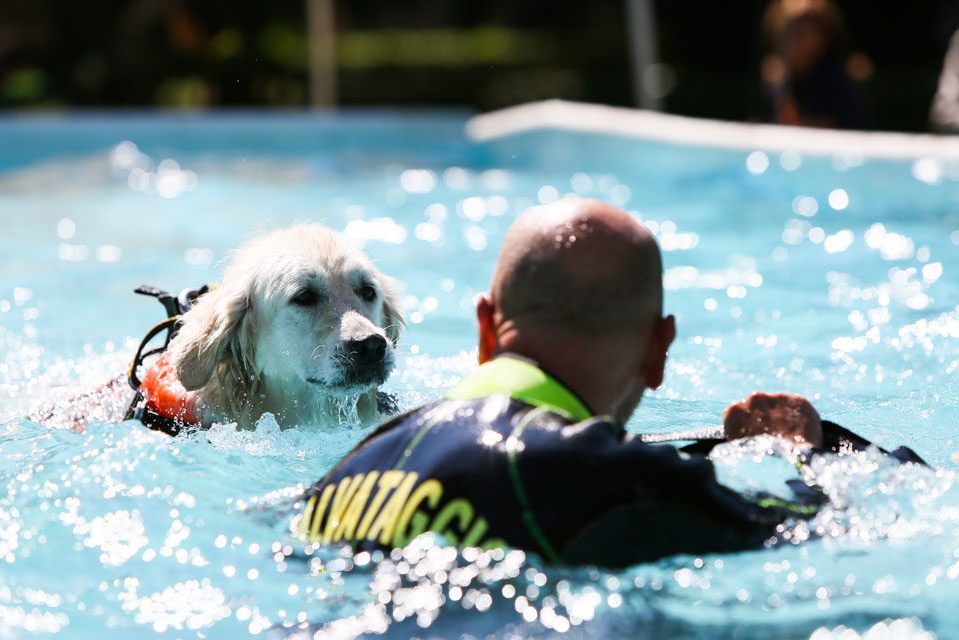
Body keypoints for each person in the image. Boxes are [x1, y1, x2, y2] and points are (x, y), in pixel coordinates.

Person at [292, 199, 921, 568]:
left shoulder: (352, 466)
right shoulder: (622, 480)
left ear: (486, 329)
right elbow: (827, 537)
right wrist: (809, 459)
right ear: (658, 351)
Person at [761, 0, 867, 129]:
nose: (791, 42)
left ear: (823, 37)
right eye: (786, 33)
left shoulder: (837, 80)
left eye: (800, 34)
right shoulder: (780, 82)